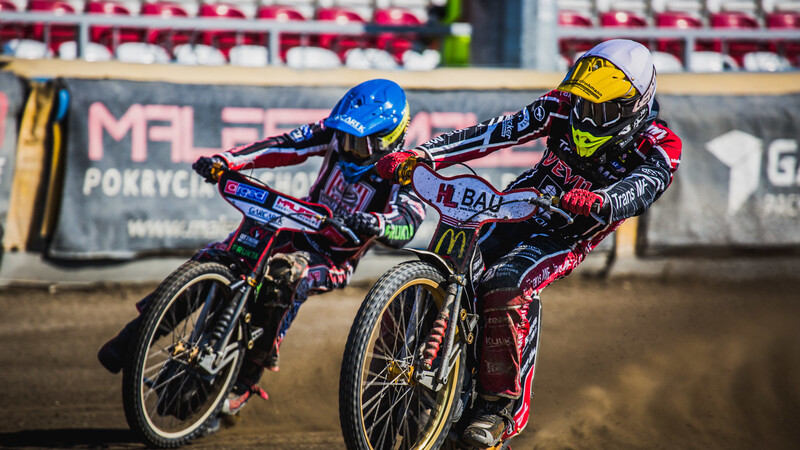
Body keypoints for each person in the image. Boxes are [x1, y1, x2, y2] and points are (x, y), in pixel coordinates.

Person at [376, 39, 682, 448]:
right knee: (444, 264)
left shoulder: (660, 144)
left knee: (504, 285)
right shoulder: (560, 104)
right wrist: (423, 155)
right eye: (583, 102)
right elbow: (494, 133)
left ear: (634, 106)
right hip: (517, 205)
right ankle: (382, 368)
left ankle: (497, 407)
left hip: (568, 231)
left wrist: (602, 201)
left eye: (601, 108)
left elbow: (642, 188)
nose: (586, 115)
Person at [97, 78, 426, 416]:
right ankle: (134, 337)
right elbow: (283, 145)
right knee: (220, 255)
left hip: (331, 258)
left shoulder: (404, 170)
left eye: (359, 145)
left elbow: (409, 219)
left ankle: (244, 382)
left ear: (387, 140)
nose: (346, 148)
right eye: (344, 138)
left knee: (285, 275)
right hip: (293, 227)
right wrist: (227, 161)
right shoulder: (333, 131)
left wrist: (378, 223)